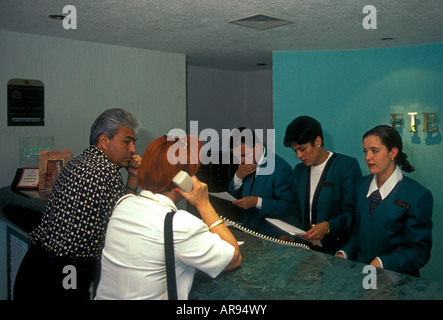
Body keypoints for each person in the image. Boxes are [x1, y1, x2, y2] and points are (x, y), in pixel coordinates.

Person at [13, 108, 142, 300]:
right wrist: (134, 179)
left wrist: (131, 176)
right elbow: (122, 221)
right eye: (126, 141)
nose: (132, 149)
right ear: (104, 141)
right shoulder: (106, 172)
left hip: (35, 264)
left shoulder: (76, 163)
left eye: (133, 143)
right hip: (68, 271)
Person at [95, 135, 241, 300]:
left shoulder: (123, 204)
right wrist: (204, 204)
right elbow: (233, 258)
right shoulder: (179, 224)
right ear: (183, 179)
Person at [337, 125, 433, 276]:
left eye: (374, 151)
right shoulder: (361, 185)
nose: (368, 157)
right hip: (361, 276)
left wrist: (383, 262)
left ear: (393, 152)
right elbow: (358, 230)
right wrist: (344, 252)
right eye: (365, 151)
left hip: (397, 282)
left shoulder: (418, 195)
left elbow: (419, 251)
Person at [283, 116, 362, 254]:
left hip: (337, 252)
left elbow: (353, 212)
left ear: (318, 141)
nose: (299, 156)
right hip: (305, 251)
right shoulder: (299, 171)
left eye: (302, 149)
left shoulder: (345, 166)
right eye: (295, 150)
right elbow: (296, 210)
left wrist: (328, 226)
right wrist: (290, 233)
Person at [228, 127, 295, 238]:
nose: (241, 161)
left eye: (244, 155)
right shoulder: (245, 164)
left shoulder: (281, 168)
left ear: (258, 147)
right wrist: (238, 177)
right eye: (237, 157)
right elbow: (236, 196)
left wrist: (258, 202)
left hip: (271, 236)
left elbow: (287, 207)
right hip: (247, 232)